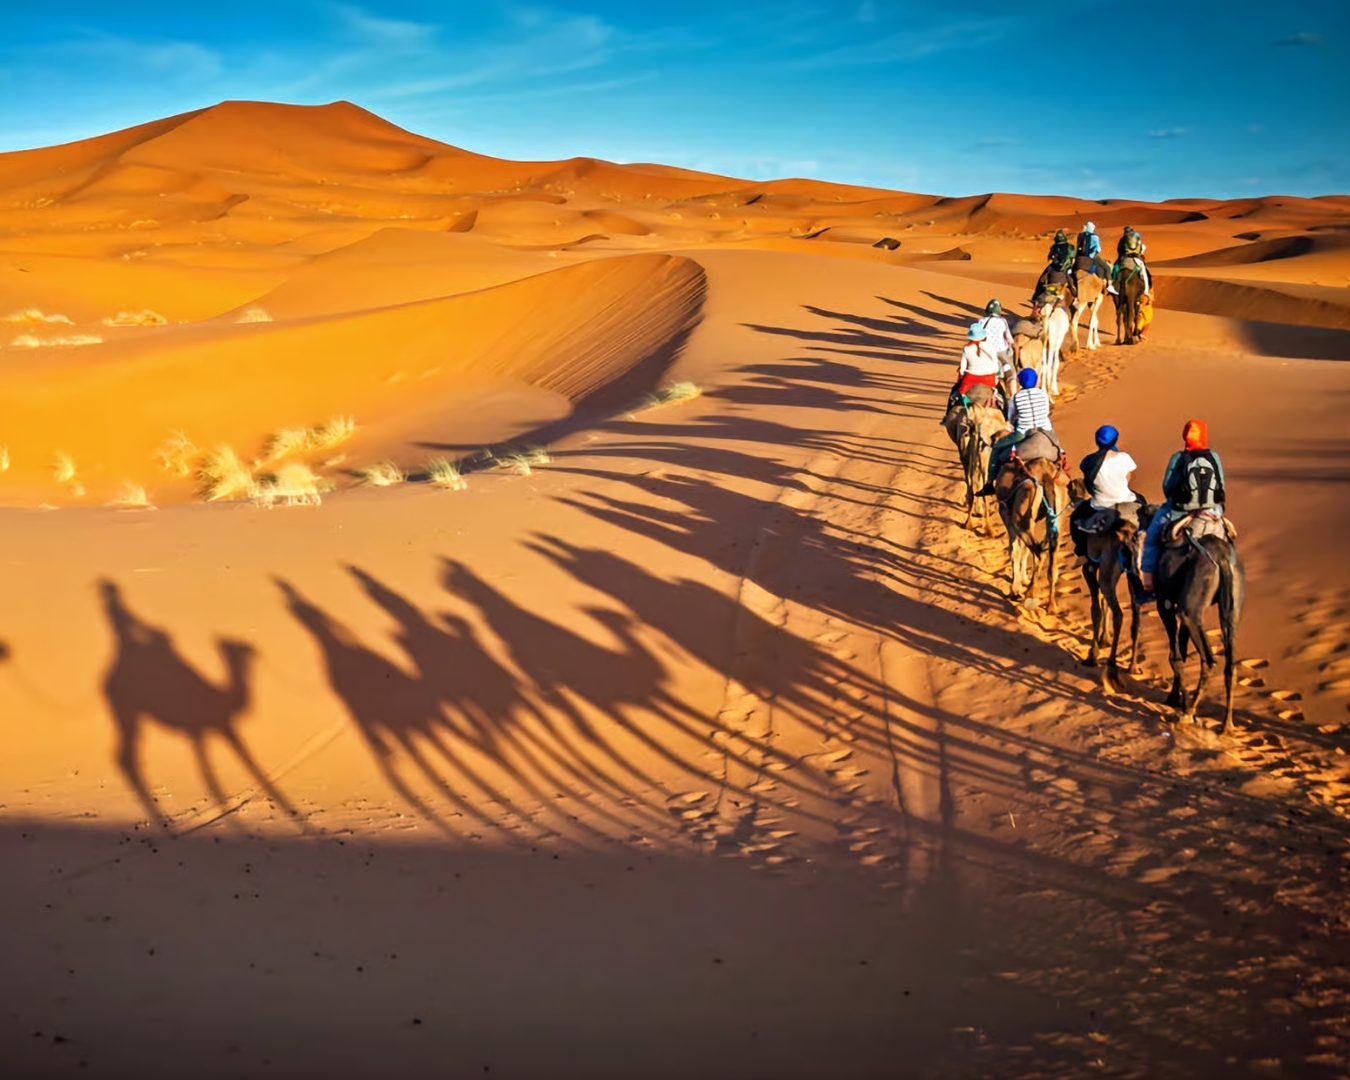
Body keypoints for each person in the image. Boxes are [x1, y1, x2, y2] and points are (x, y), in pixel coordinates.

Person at [1140, 418, 1227, 593]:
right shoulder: (1214, 457)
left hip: (1180, 511)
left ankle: (1147, 583)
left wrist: (1177, 501)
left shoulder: (1178, 458)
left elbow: (1167, 486)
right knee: (1228, 542)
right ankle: (1229, 578)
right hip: (1212, 511)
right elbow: (1221, 486)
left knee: (1151, 538)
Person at [1070, 424, 1143, 560]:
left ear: (1097, 441)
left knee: (1076, 517)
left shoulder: (1087, 461)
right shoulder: (1124, 457)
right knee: (1144, 507)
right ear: (1115, 440)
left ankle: (1081, 551)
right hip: (1126, 499)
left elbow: (1087, 479)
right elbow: (1128, 478)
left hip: (1099, 505)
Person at [981, 367, 1057, 491]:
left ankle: (990, 482)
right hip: (1045, 431)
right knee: (1058, 449)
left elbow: (1011, 419)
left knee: (996, 448)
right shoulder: (1043, 394)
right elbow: (1046, 412)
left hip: (1022, 433)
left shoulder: (1016, 398)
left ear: (1020, 382)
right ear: (1036, 381)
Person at [1075, 222, 1116, 293]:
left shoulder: (1080, 235)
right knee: (1107, 268)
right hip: (1092, 257)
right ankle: (1109, 286)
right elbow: (1098, 249)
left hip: (1080, 257)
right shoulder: (1094, 237)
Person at [1115, 226, 1152, 295]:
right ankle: (1146, 291)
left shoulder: (1122, 239)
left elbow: (1119, 250)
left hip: (1123, 259)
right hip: (1136, 259)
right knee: (1144, 273)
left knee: (1115, 269)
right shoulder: (1137, 239)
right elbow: (1140, 249)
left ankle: (1114, 287)